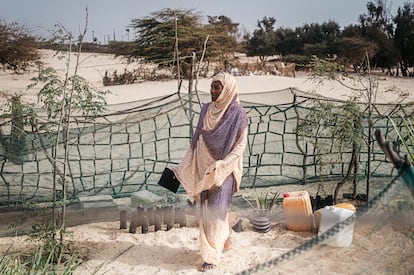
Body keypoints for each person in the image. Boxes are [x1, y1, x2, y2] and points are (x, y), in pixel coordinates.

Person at [172, 72, 248, 272]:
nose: (213, 91)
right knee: (208, 211)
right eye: (212, 87)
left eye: (217, 87)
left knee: (215, 214)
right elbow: (197, 141)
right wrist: (186, 166)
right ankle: (226, 239)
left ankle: (211, 258)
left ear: (228, 89)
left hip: (225, 170)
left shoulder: (238, 114)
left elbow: (240, 147)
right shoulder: (206, 109)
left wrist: (223, 165)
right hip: (204, 169)